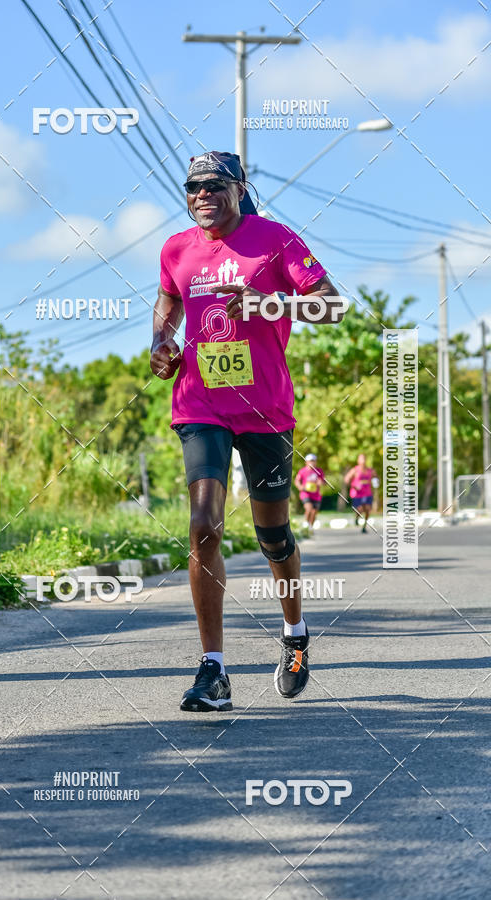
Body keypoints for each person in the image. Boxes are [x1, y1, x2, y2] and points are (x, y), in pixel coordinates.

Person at [150, 150, 344, 711]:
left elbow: (332, 307)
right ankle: (213, 670)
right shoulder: (176, 248)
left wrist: (269, 304)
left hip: (264, 409)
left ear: (240, 188)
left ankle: (295, 632)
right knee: (203, 526)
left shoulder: (275, 239)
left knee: (273, 539)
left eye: (214, 185)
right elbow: (168, 304)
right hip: (199, 402)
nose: (202, 195)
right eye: (193, 187)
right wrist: (161, 344)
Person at [344, 453, 378, 532]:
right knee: (359, 509)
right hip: (357, 494)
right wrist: (353, 485)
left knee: (367, 509)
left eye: (364, 459)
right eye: (361, 459)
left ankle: (364, 527)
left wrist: (375, 481)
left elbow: (376, 479)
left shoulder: (370, 470)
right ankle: (357, 517)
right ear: (358, 460)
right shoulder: (355, 470)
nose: (363, 460)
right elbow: (346, 479)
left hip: (367, 493)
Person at [294, 453, 325, 531]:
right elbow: (297, 480)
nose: (312, 463)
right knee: (309, 508)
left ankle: (310, 527)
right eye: (310, 461)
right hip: (305, 494)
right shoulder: (302, 471)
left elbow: (323, 482)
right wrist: (300, 486)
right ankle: (306, 524)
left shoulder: (319, 471)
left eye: (313, 461)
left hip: (316, 495)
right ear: (306, 462)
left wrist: (321, 482)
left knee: (314, 512)